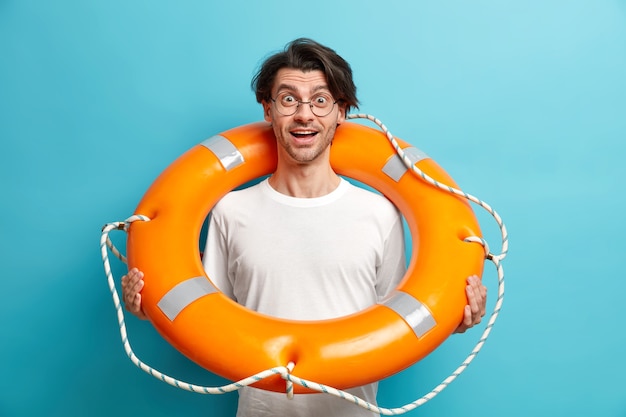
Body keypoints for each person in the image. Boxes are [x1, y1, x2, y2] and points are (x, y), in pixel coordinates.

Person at [121, 38, 487, 417]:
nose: (304, 114)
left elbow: (400, 316)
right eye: (288, 99)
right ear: (268, 110)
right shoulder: (231, 210)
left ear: (341, 112)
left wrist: (451, 319)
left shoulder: (379, 213)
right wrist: (151, 306)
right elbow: (208, 319)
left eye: (321, 100)